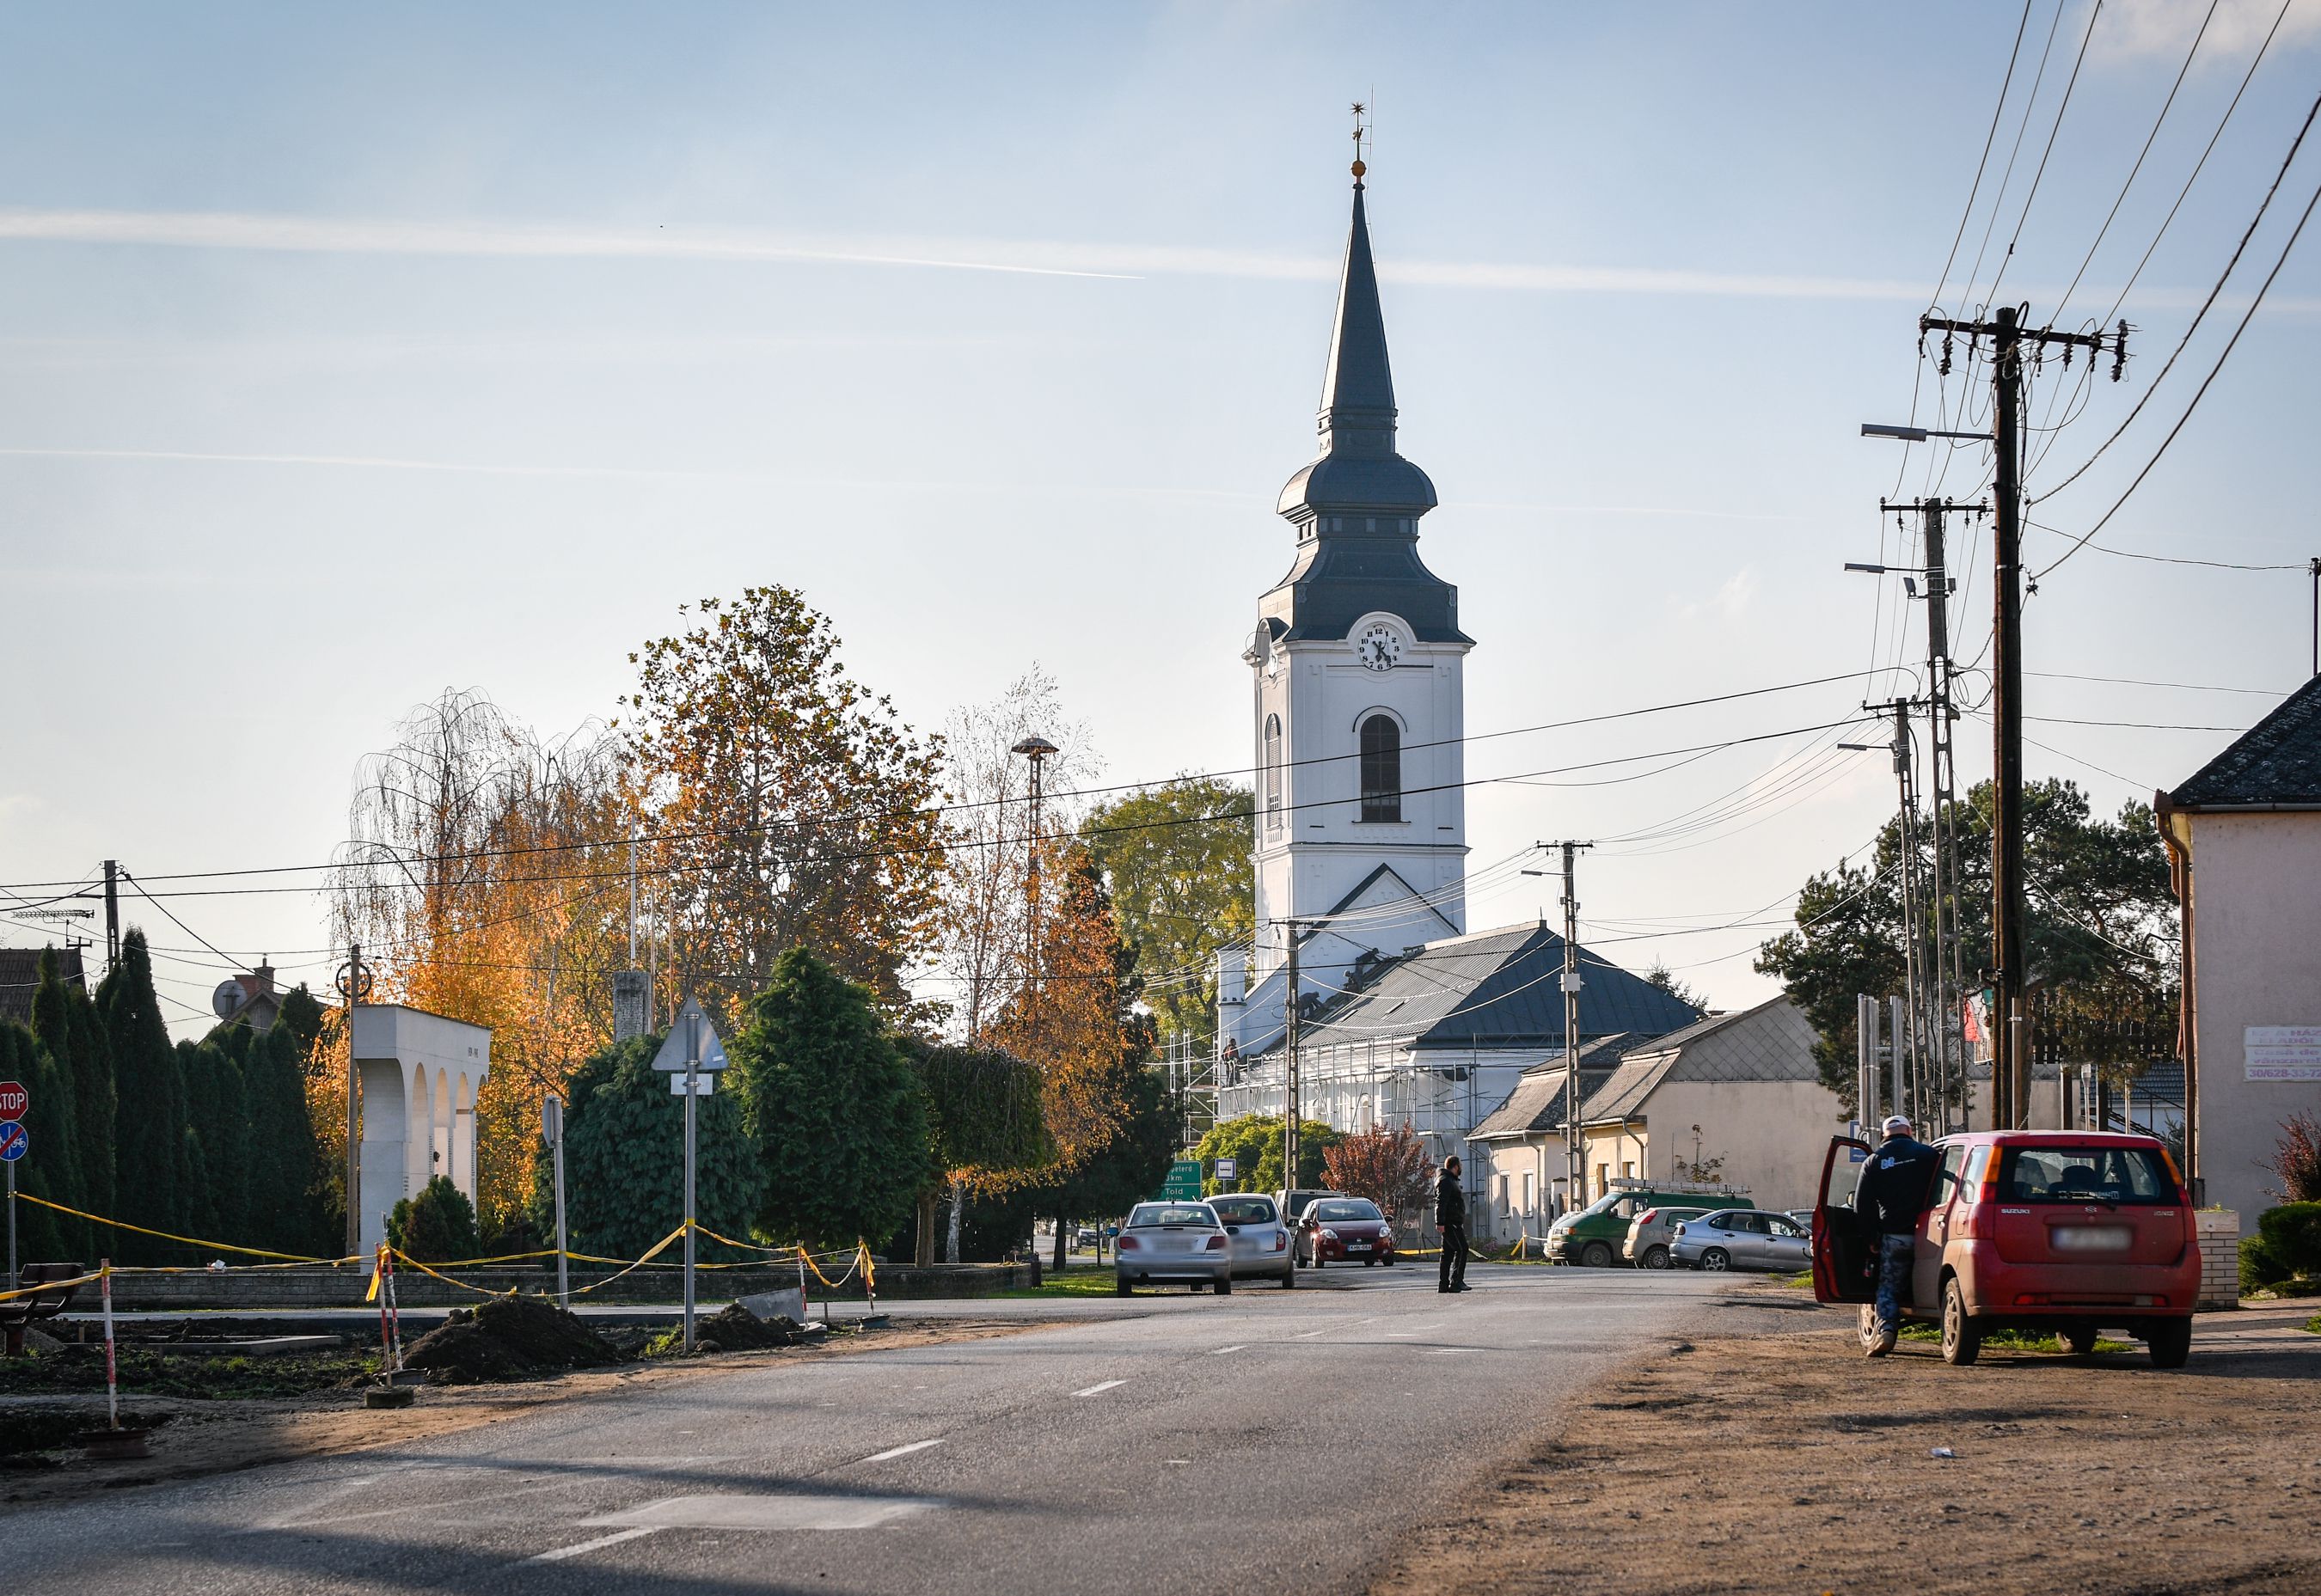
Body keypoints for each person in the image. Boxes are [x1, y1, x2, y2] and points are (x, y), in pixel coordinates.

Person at [1853, 1113, 1939, 1356]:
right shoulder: (1930, 1155)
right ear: (1910, 1131)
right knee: (1943, 1284)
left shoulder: (1874, 1161)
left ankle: (1887, 1331)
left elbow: (1863, 1206)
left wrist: (1871, 1239)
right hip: (1933, 1236)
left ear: (1884, 1136)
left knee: (1888, 1287)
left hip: (1895, 1236)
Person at [1436, 1156, 1470, 1293]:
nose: (1461, 1168)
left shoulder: (1450, 1180)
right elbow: (1441, 1202)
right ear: (1455, 1166)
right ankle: (1456, 1281)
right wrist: (1440, 1222)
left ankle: (1443, 1284)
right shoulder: (1446, 1181)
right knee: (1462, 1249)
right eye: (1460, 1165)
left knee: (1448, 1253)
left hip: (1452, 1221)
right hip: (1451, 1223)